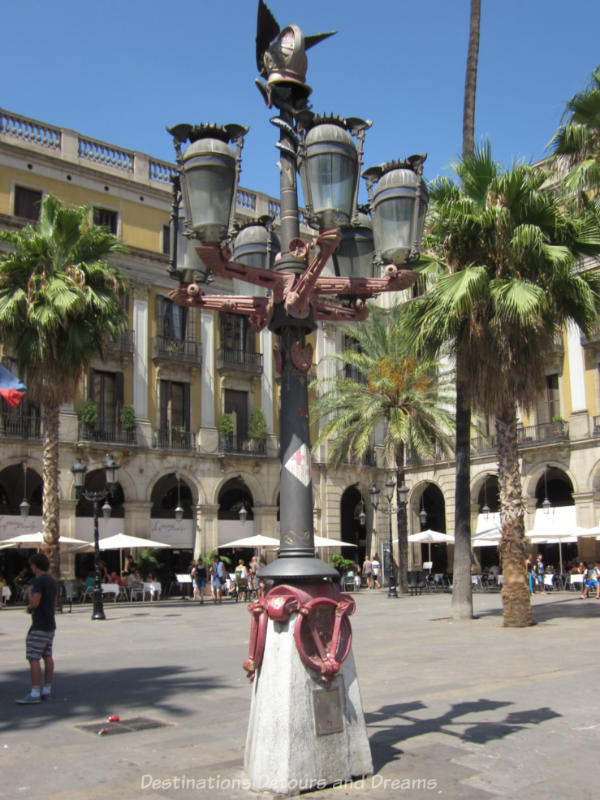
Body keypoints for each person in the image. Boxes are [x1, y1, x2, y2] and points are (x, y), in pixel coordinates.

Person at [16, 553, 57, 705]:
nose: (31, 568)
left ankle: (34, 692)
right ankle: (47, 689)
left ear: (35, 565)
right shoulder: (52, 580)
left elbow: (35, 602)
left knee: (33, 657)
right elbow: (54, 604)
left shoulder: (39, 581)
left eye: (32, 565)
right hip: (50, 623)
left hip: (39, 624)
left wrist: (29, 598)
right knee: (48, 655)